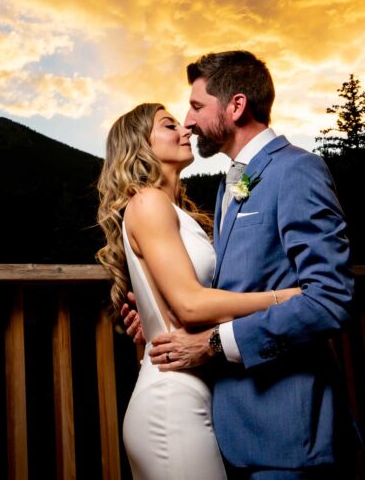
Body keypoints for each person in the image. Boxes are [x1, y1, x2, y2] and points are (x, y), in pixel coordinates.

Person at [123, 50, 363, 479]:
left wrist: (215, 343)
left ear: (235, 106)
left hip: (290, 431)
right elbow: (221, 284)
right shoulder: (229, 186)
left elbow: (330, 299)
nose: (189, 121)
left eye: (196, 107)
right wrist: (156, 308)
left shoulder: (296, 170)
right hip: (233, 427)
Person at [96, 102, 302, 480]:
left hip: (198, 389)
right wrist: (285, 298)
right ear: (138, 144)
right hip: (171, 399)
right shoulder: (148, 201)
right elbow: (190, 306)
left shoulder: (177, 212)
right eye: (168, 125)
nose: (185, 130)